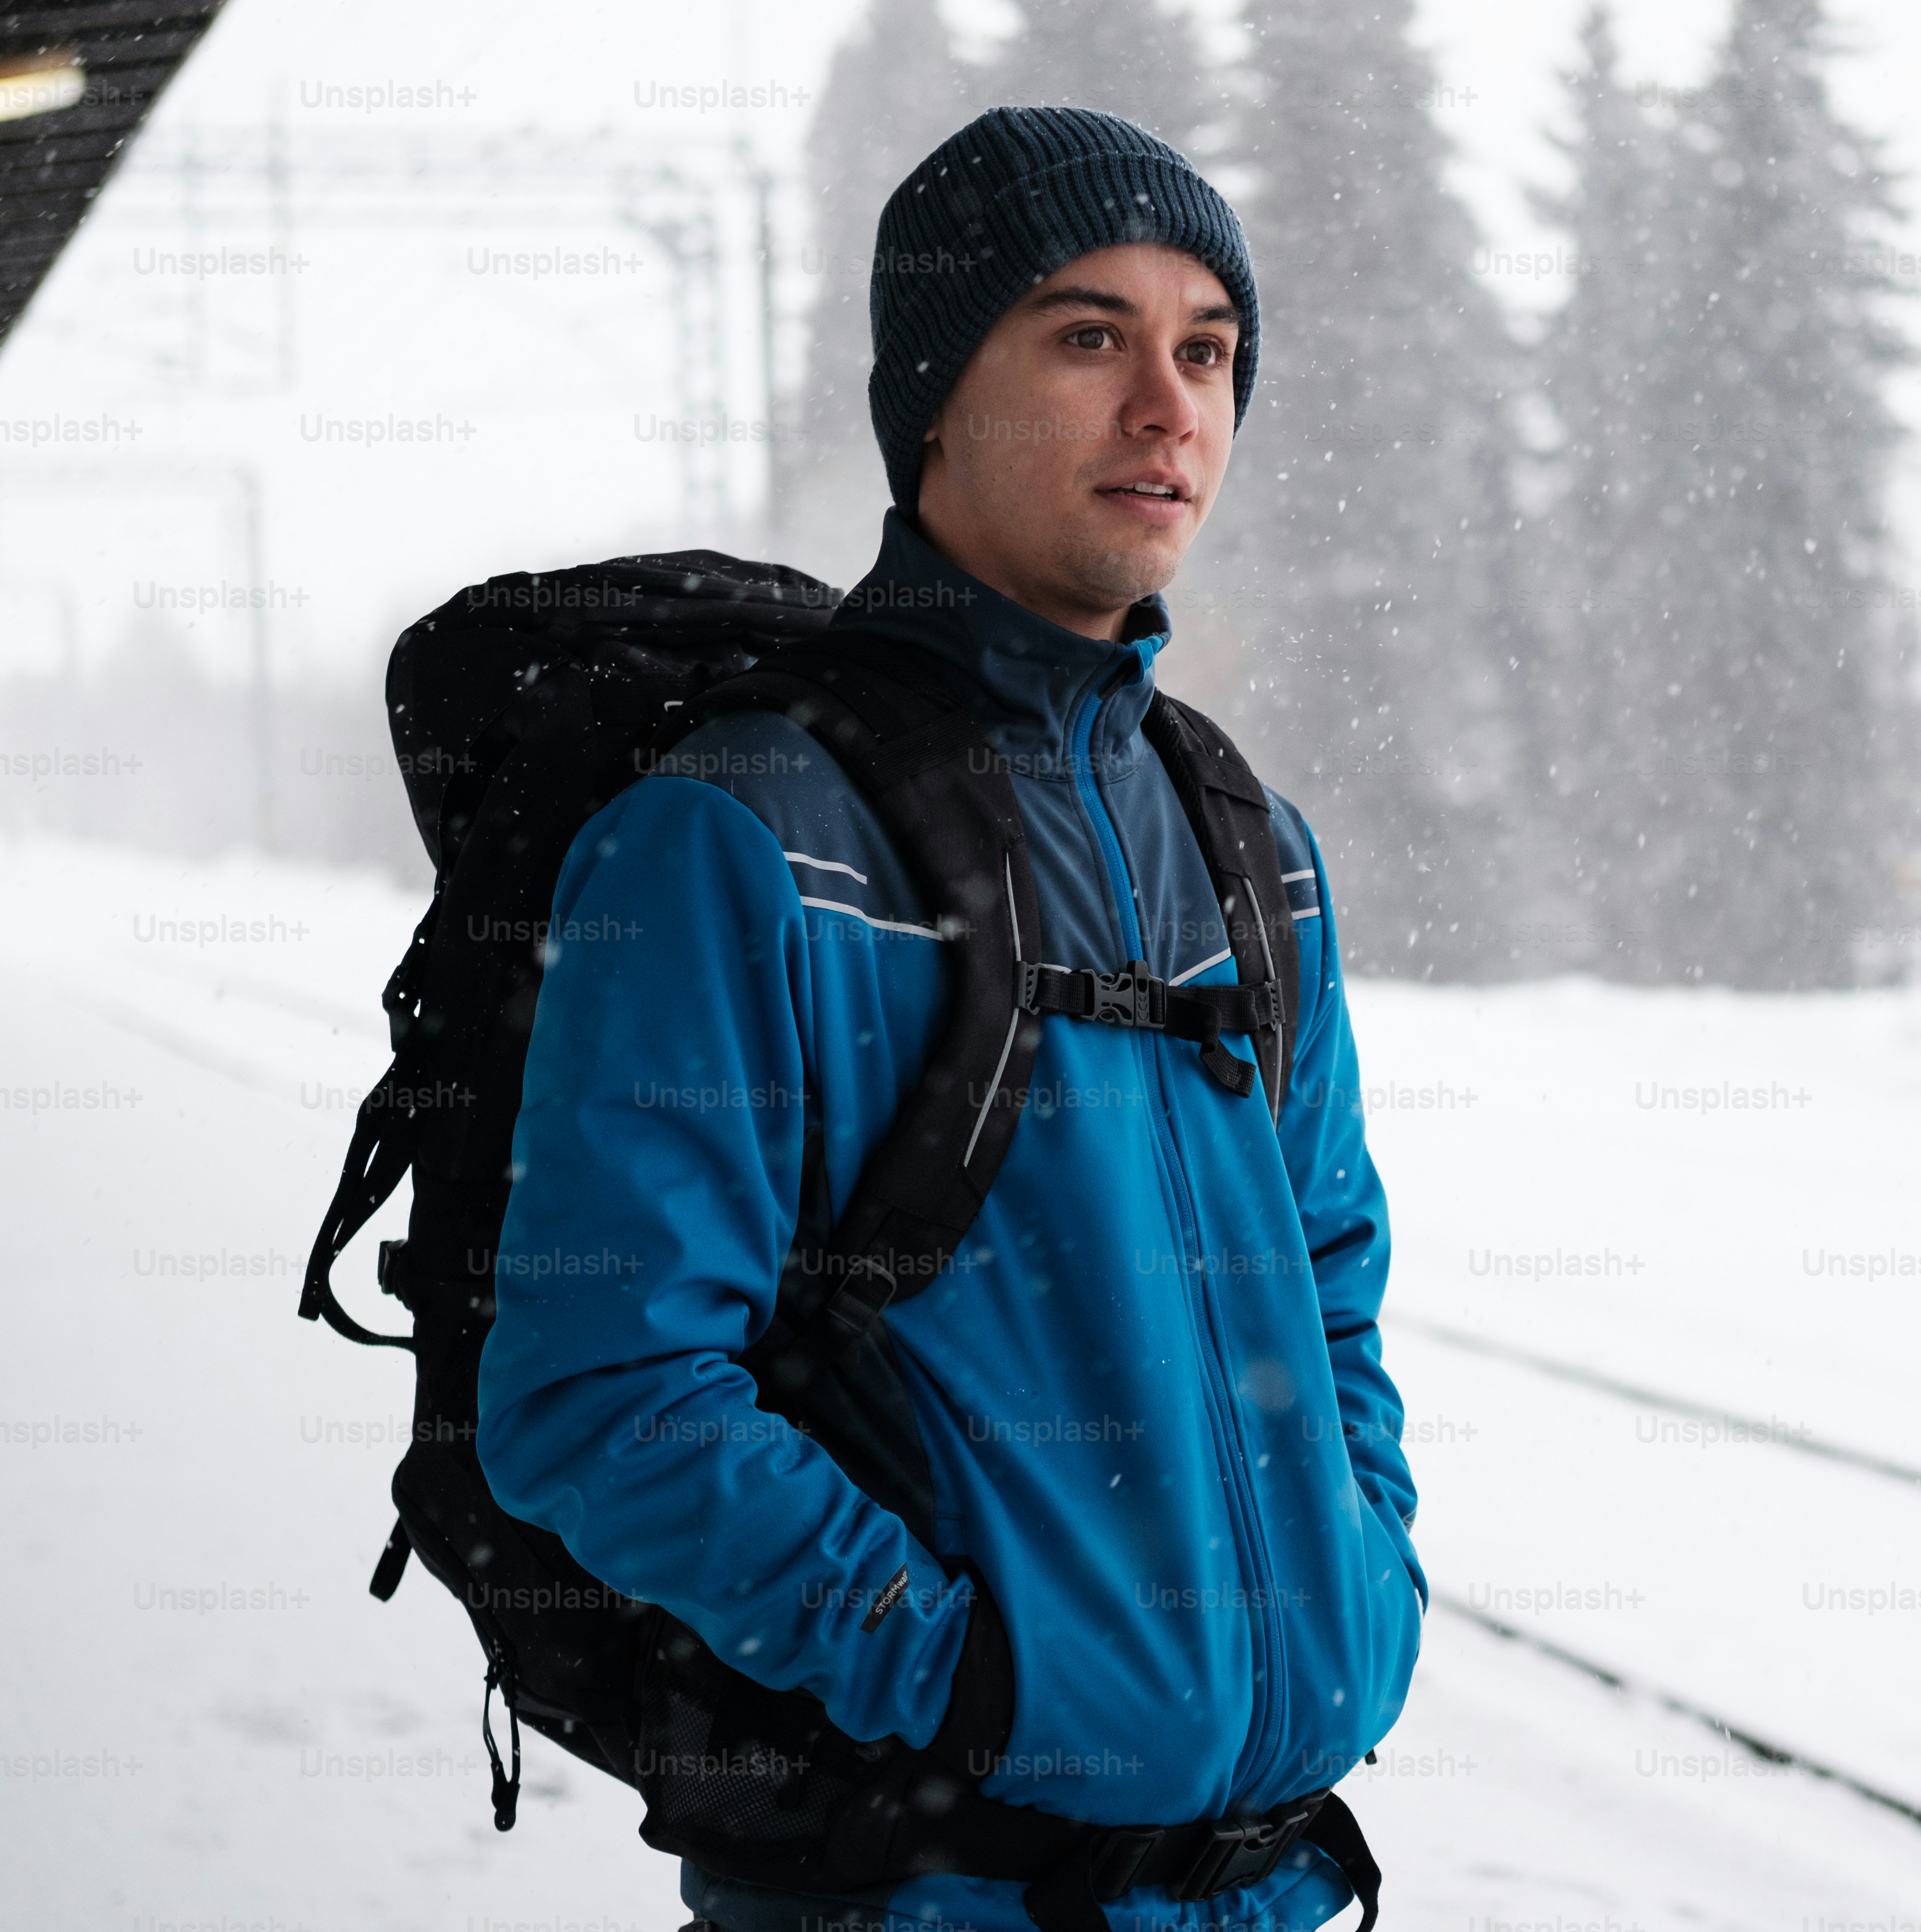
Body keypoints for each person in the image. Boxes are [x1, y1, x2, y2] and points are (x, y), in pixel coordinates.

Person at [475, 107, 1423, 1932]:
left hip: (1262, 1889)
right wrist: (968, 1679)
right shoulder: (740, 834)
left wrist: (1356, 1581)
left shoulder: (1248, 847)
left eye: (1206, 351)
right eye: (1087, 337)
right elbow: (598, 1390)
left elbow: (1332, 1287)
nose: (1169, 406)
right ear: (932, 399)